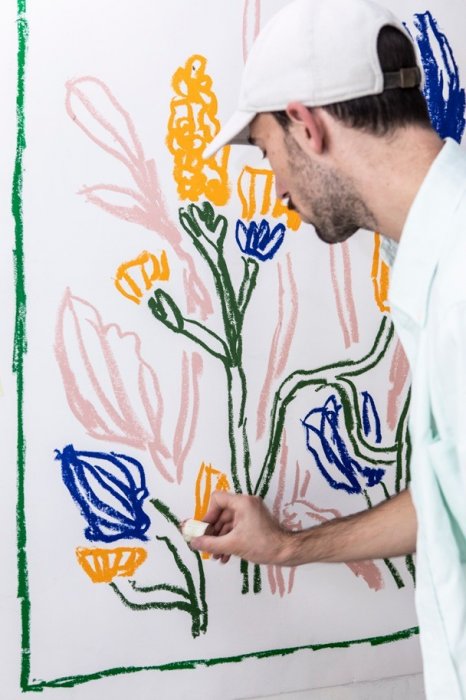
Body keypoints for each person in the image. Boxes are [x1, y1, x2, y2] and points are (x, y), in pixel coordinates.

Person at [195, 0, 466, 697]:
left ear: (307, 126)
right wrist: (289, 546)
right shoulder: (435, 254)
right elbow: (450, 496)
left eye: (266, 151)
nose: (278, 190)